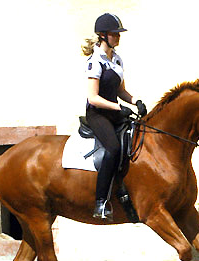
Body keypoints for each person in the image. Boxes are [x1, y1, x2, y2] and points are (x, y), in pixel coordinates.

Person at [82, 13, 147, 221]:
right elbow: (93, 98)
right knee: (113, 148)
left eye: (118, 34)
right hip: (98, 115)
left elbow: (121, 91)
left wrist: (135, 100)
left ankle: (125, 190)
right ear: (103, 35)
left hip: (114, 112)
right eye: (114, 34)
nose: (118, 38)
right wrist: (119, 108)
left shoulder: (116, 59)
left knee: (136, 138)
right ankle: (100, 202)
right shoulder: (95, 61)